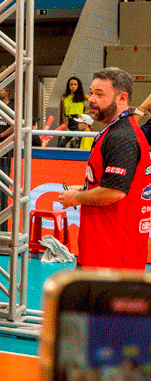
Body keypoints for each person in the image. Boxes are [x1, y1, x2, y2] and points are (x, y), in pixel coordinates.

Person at [59, 68, 151, 270]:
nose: (91, 99)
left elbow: (114, 191)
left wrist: (77, 198)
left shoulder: (122, 138)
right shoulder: (115, 130)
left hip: (112, 257)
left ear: (122, 98)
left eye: (99, 94)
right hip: (100, 250)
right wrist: (83, 189)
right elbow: (111, 182)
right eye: (91, 93)